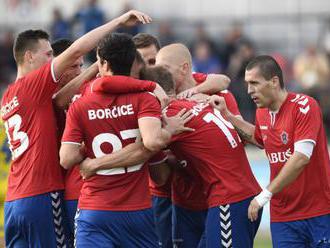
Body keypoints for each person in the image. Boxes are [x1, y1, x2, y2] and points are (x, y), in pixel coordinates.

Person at [1, 10, 152, 248]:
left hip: (14, 200)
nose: (53, 60)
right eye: (49, 54)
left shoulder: (9, 95)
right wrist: (119, 21)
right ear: (29, 56)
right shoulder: (32, 86)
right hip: (42, 193)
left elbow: (59, 99)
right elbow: (76, 50)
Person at [59, 33, 193, 247]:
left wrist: (89, 151)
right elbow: (155, 156)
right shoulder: (145, 99)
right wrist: (169, 132)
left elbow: (66, 159)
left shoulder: (81, 103)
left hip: (95, 209)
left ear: (102, 63)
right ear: (133, 61)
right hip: (137, 213)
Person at [210, 55, 330, 248]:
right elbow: (259, 138)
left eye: (255, 83)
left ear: (274, 81)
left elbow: (301, 157)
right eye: (248, 84)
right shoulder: (262, 113)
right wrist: (228, 116)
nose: (249, 90)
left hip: (318, 212)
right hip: (283, 217)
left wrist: (265, 195)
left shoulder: (305, 106)